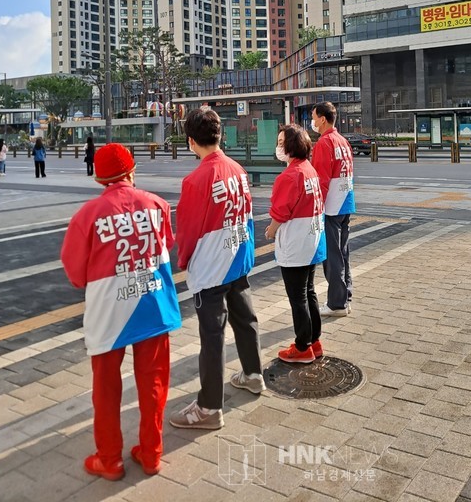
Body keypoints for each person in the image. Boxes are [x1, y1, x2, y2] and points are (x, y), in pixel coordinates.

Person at [60, 143, 182, 481]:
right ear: (131, 171)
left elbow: (75, 274)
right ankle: (152, 453)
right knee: (154, 382)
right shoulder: (156, 205)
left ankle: (110, 459)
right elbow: (167, 243)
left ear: (99, 179)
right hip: (153, 304)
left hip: (108, 313)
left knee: (106, 387)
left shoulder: (87, 216)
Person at [169, 107, 264, 431]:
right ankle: (253, 374)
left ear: (191, 141)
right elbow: (248, 213)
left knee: (212, 336)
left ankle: (209, 406)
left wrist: (184, 262)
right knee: (245, 318)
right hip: (238, 257)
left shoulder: (195, 180)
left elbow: (188, 231)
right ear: (220, 135)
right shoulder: (238, 169)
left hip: (211, 266)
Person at [265, 125, 326, 363]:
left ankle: (302, 347)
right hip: (311, 240)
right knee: (308, 291)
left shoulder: (289, 176)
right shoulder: (309, 169)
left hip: (295, 243)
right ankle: (314, 341)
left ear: (292, 146)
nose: (278, 147)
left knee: (297, 297)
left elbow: (280, 211)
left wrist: (271, 231)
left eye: (281, 143)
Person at [311, 102, 355, 317]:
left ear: (322, 119)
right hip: (345, 202)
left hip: (331, 206)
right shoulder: (343, 141)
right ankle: (345, 298)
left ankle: (337, 303)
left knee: (333, 256)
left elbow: (321, 179)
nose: (312, 122)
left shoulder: (324, 143)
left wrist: (316, 207)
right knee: (343, 252)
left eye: (313, 118)